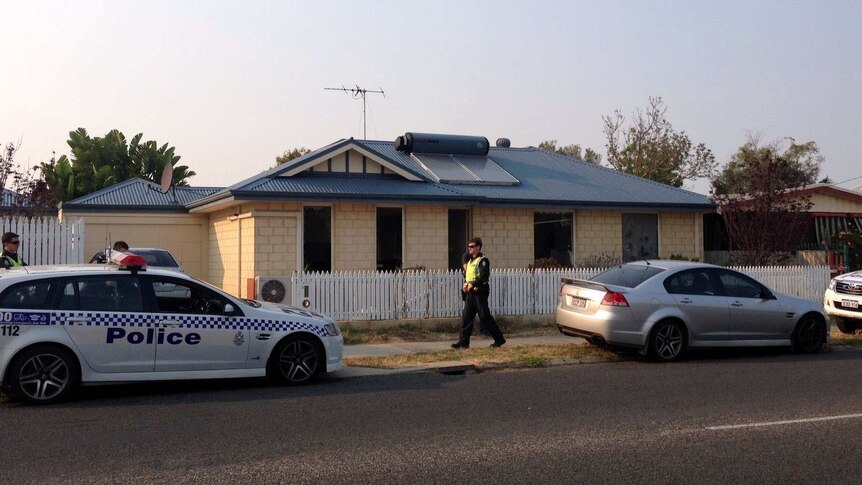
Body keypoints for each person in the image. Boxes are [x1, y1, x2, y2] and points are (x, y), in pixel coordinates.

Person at [452, 237, 506, 349]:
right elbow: (468, 275)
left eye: (472, 246)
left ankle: (499, 339)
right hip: (471, 293)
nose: (469, 249)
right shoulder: (471, 261)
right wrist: (466, 283)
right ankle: (463, 342)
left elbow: (484, 276)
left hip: (480, 293)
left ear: (478, 247)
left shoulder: (483, 260)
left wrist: (474, 284)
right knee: (466, 317)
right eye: (469, 247)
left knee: (484, 316)